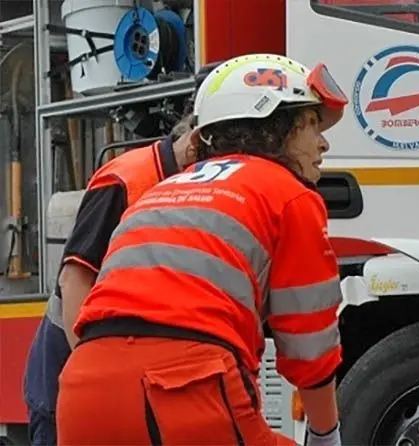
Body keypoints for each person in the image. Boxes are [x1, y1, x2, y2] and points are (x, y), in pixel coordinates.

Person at [54, 53, 349, 446]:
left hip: (82, 392)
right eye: (312, 123)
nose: (323, 142)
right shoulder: (290, 195)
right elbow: (310, 345)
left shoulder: (161, 190)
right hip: (184, 387)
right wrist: (326, 434)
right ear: (276, 126)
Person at [21, 61, 221, 446]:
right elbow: (75, 281)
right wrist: (93, 382)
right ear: (197, 141)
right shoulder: (127, 180)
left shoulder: (192, 187)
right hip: (68, 381)